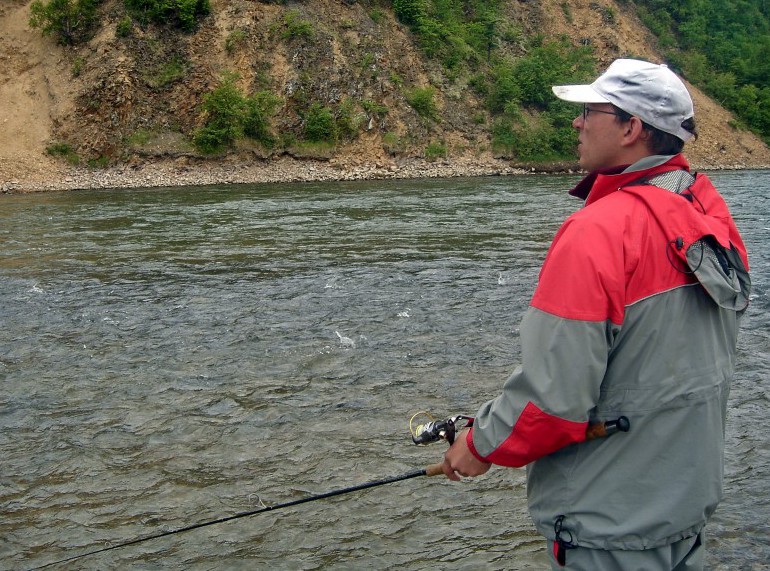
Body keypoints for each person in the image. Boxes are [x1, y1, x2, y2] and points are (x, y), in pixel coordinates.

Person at [440, 58, 751, 570]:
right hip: (684, 510)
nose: (576, 122)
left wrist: (480, 443)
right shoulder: (709, 218)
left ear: (631, 128)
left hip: (606, 524)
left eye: (590, 111)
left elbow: (553, 399)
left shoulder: (597, 231)